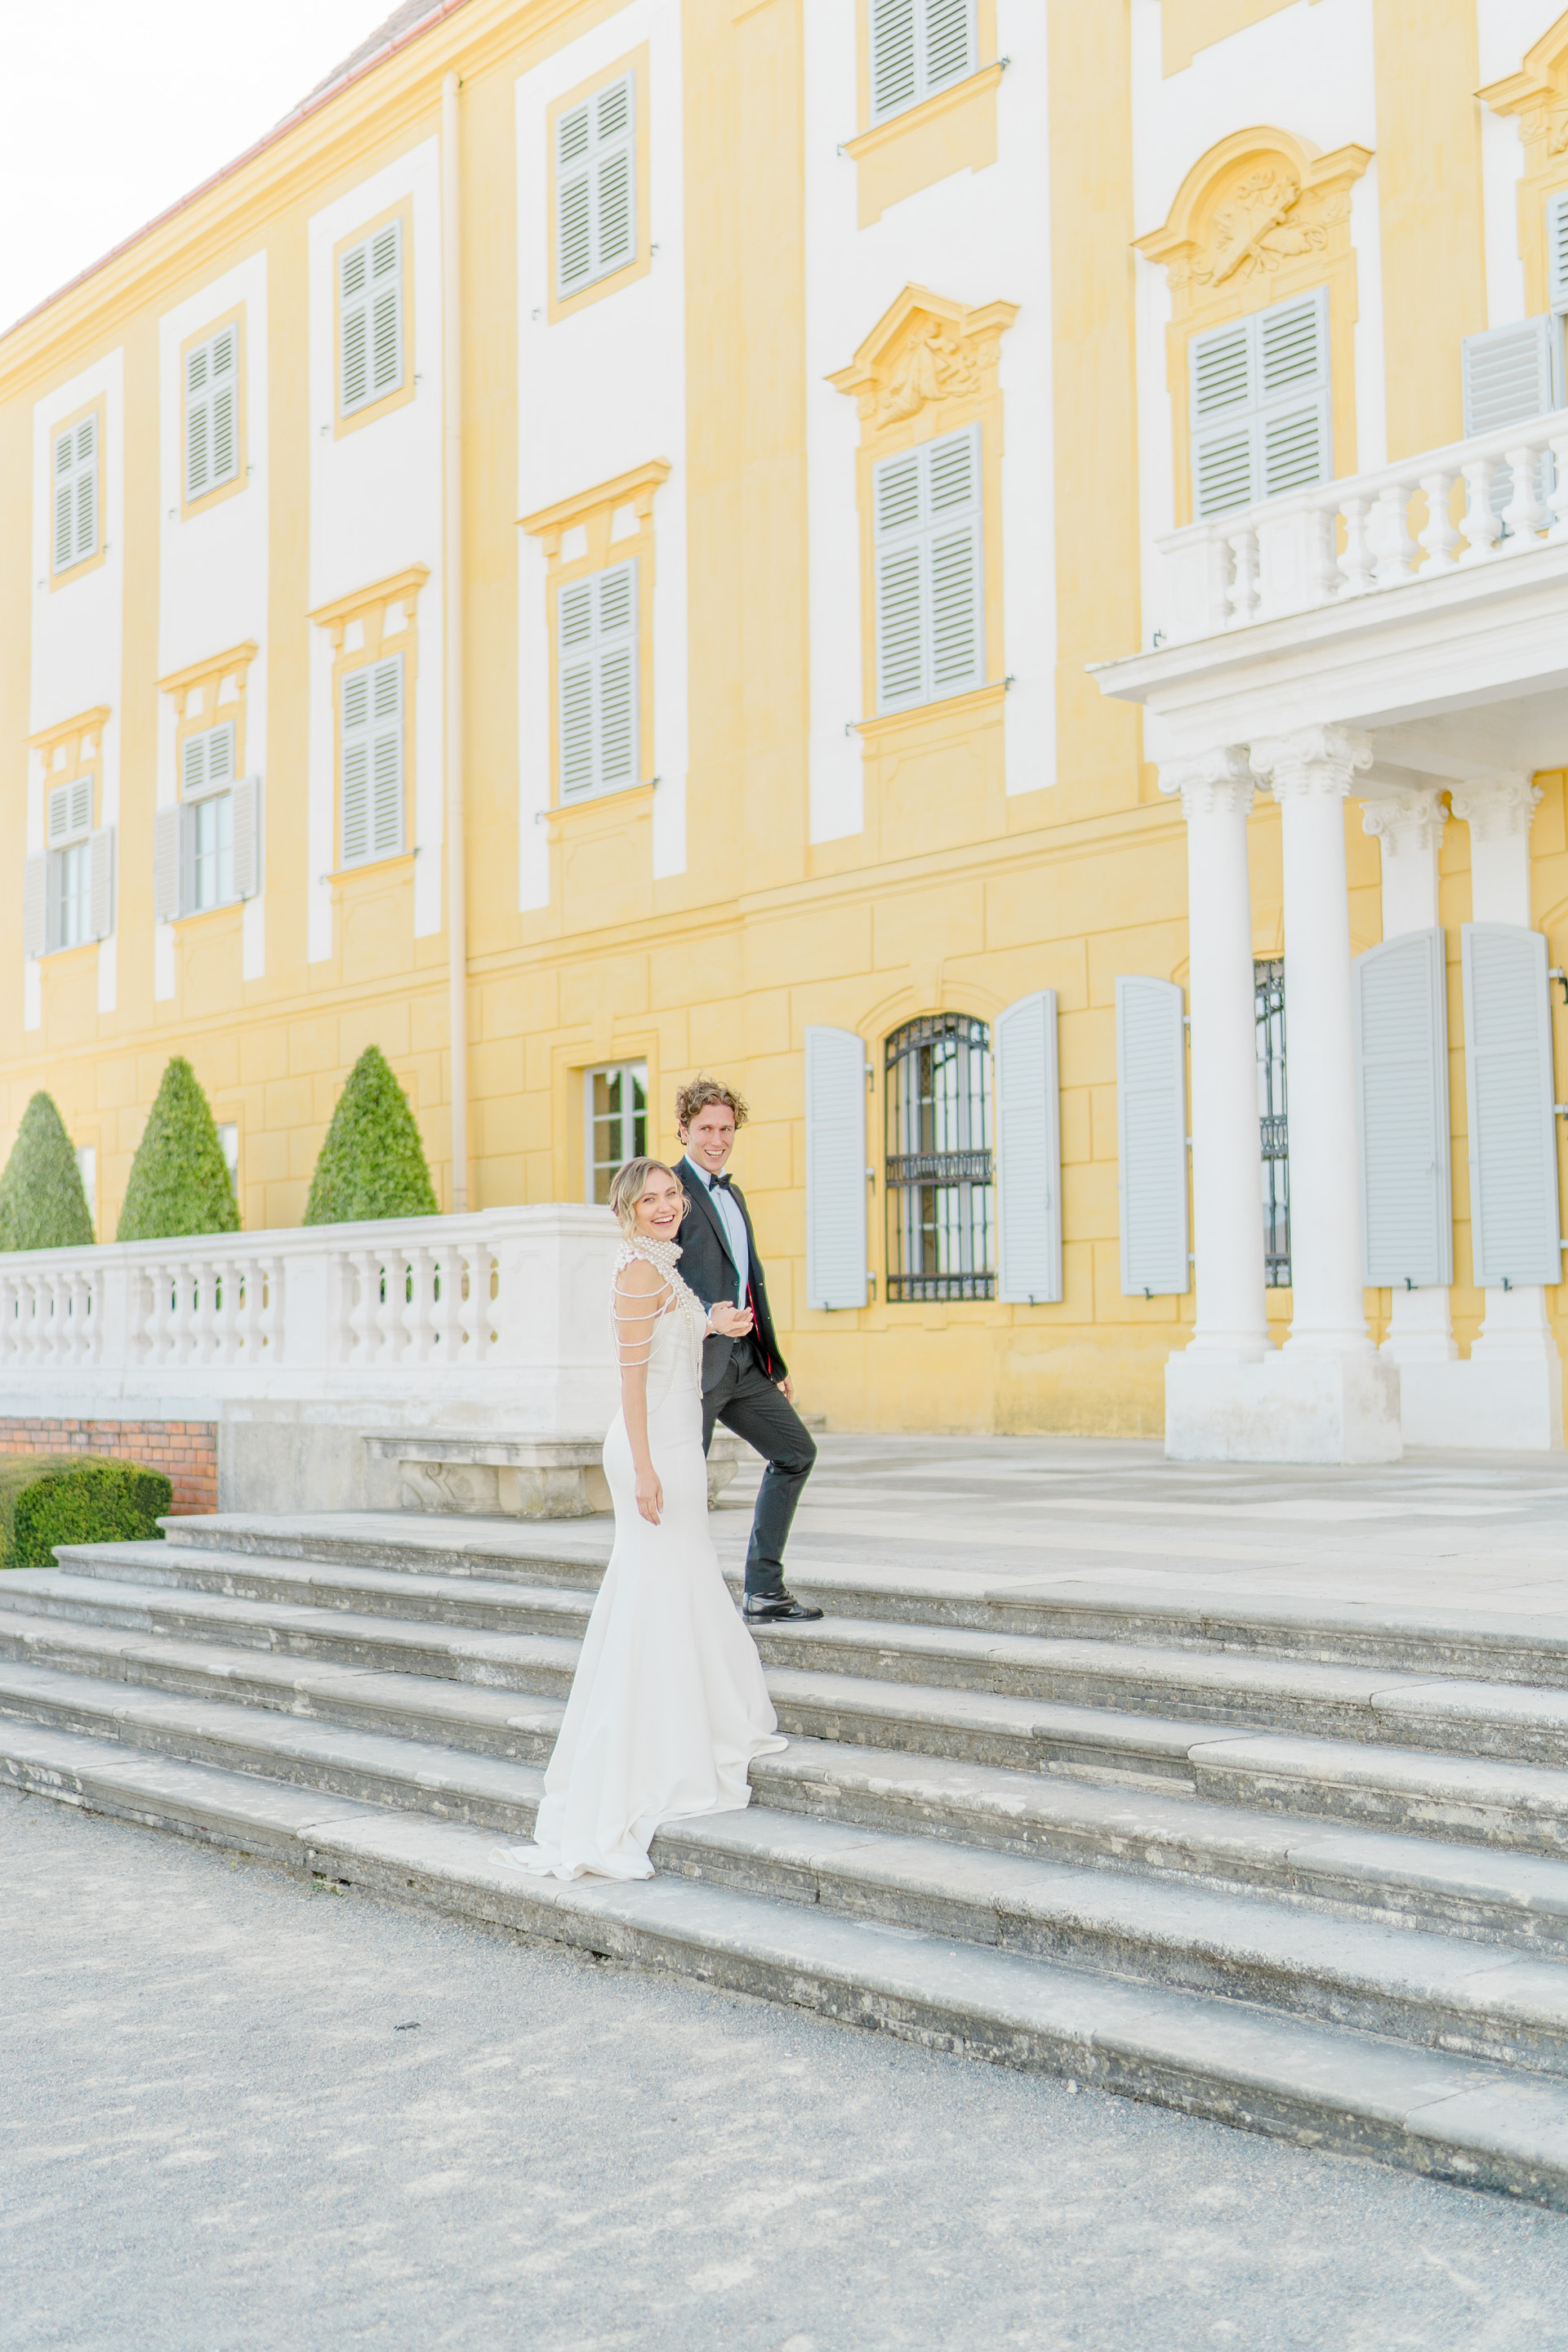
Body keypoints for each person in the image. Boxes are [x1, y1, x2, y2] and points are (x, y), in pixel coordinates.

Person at [497, 1157, 785, 1882]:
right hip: (653, 1446)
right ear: (626, 1210)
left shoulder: (660, 1264)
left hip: (675, 1440)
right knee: (661, 1584)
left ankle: (687, 1720)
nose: (666, 1206)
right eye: (650, 1198)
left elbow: (673, 1334)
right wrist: (647, 1469)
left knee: (680, 1580)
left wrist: (714, 1320)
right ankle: (654, 1744)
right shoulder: (637, 1272)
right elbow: (629, 1381)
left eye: (671, 1194)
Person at [674, 1076, 822, 1624]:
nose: (717, 1140)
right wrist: (704, 1318)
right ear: (684, 1130)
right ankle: (680, 1601)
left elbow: (749, 1282)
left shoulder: (733, 1195)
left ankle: (764, 1590)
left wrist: (770, 1361)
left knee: (795, 1453)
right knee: (685, 1484)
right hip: (695, 1364)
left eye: (727, 1129)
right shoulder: (669, 1192)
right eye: (706, 1129)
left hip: (744, 1361)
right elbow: (655, 1274)